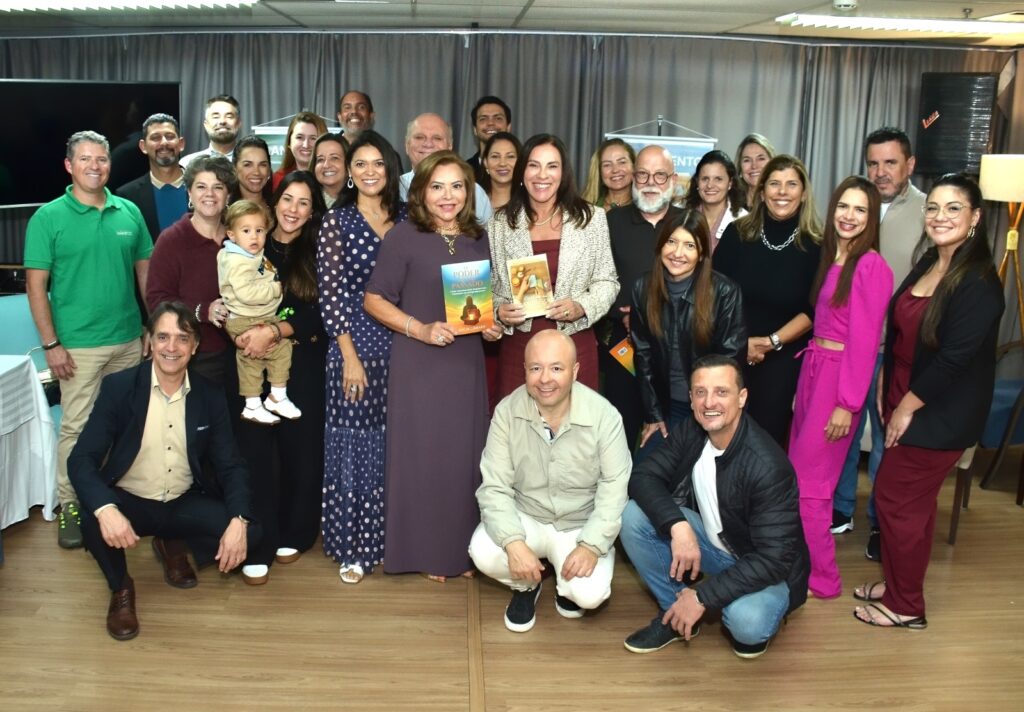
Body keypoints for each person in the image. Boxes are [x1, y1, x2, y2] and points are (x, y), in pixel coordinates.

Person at [853, 173, 1003, 630]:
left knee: (895, 500)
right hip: (904, 395)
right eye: (933, 207)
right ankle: (898, 584)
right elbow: (902, 330)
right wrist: (886, 380)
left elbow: (954, 360)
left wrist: (905, 406)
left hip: (938, 413)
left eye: (953, 208)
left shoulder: (978, 281)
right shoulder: (929, 262)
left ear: (975, 217)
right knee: (908, 506)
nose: (940, 216)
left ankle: (906, 606)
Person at [67, 302, 257, 641]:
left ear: (194, 347)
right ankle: (121, 586)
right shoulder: (119, 387)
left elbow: (231, 464)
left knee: (252, 531)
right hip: (132, 500)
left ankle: (172, 542)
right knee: (90, 516)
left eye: (182, 338)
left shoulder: (210, 394)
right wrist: (106, 509)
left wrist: (238, 521)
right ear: (149, 342)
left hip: (184, 500)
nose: (172, 347)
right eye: (163, 337)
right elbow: (81, 459)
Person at [364, 151, 503, 581]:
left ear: (469, 192)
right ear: (421, 192)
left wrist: (492, 328)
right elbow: (374, 300)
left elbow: (480, 304)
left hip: (466, 364)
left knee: (464, 459)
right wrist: (419, 329)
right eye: (437, 187)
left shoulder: (478, 237)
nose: (448, 196)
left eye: (457, 186)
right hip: (419, 364)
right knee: (423, 457)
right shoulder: (403, 237)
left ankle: (461, 551)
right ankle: (423, 552)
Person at [620, 355, 810, 659]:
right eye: (700, 392)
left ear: (742, 397)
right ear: (691, 399)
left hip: (765, 567)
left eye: (721, 392)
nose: (709, 402)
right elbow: (643, 477)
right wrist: (678, 526)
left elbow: (773, 559)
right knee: (634, 515)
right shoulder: (693, 431)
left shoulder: (768, 466)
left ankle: (705, 604)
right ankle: (674, 612)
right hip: (717, 546)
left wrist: (702, 596)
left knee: (747, 623)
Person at [24, 130, 153, 550]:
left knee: (126, 425)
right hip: (77, 347)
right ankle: (72, 506)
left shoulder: (128, 212)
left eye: (101, 159)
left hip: (128, 341)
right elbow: (36, 286)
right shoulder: (48, 218)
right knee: (77, 429)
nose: (94, 166)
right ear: (69, 165)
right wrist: (51, 345)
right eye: (85, 159)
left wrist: (152, 327)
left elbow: (145, 273)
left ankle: (114, 501)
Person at [469, 330, 630, 632]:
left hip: (579, 523)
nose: (545, 379)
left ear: (575, 371)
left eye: (556, 368)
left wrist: (591, 545)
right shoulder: (507, 412)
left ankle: (565, 585)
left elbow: (615, 488)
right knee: (483, 551)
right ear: (525, 370)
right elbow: (494, 486)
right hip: (527, 516)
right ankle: (526, 586)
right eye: (536, 368)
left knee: (589, 595)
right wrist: (514, 543)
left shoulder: (604, 416)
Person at [787, 176, 892, 599]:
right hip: (814, 371)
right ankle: (799, 567)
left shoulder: (871, 266)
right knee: (798, 478)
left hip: (837, 381)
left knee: (810, 485)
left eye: (860, 209)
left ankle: (824, 579)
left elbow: (864, 344)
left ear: (872, 218)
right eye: (843, 206)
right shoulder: (834, 257)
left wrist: (847, 404)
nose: (849, 216)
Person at [834, 127, 928, 563]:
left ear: (910, 164)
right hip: (849, 347)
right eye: (873, 163)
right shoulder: (856, 206)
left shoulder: (929, 212)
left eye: (890, 162)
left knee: (887, 441)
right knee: (844, 434)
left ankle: (878, 521)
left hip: (896, 351)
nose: (881, 171)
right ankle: (841, 510)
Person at [318, 130, 407, 584]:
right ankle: (354, 546)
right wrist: (349, 357)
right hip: (355, 350)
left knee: (400, 445)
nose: (369, 171)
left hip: (407, 349)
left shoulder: (409, 217)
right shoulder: (337, 222)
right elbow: (331, 297)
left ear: (390, 168)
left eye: (377, 163)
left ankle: (398, 542)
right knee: (356, 448)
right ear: (350, 173)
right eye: (360, 164)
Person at [232, 170, 329, 585]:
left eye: (304, 202)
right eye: (288, 199)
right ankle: (259, 539)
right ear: (274, 203)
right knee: (256, 453)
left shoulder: (320, 249)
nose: (294, 209)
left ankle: (297, 531)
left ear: (312, 211)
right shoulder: (251, 242)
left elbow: (323, 312)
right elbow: (229, 293)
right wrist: (240, 330)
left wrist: (275, 331)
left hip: (303, 362)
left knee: (300, 451)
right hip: (252, 360)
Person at [490, 133, 618, 401]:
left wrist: (581, 306)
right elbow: (490, 287)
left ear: (563, 173)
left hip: (574, 343)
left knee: (576, 425)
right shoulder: (500, 223)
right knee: (518, 424)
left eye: (552, 166)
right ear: (522, 171)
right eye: (534, 165)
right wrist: (499, 311)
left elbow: (607, 281)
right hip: (520, 348)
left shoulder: (591, 219)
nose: (542, 175)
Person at [713, 154, 822, 447]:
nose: (782, 192)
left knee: (765, 441)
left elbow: (813, 309)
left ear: (803, 193)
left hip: (783, 357)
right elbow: (714, 294)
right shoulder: (737, 233)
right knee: (722, 433)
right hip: (732, 349)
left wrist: (769, 343)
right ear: (762, 192)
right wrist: (741, 343)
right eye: (774, 183)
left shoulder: (817, 244)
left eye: (791, 184)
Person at [631, 209, 747, 458]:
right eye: (671, 242)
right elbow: (643, 355)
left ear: (702, 252)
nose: (678, 253)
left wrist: (709, 411)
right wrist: (653, 415)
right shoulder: (643, 287)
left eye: (689, 245)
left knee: (698, 474)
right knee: (644, 473)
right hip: (666, 407)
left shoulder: (725, 292)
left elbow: (730, 361)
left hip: (709, 407)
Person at [602, 145, 682, 449]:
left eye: (660, 175)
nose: (650, 183)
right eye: (643, 175)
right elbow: (597, 280)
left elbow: (701, 284)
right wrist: (623, 313)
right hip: (622, 347)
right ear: (633, 177)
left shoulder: (688, 223)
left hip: (676, 349)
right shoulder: (611, 222)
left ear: (673, 179)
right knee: (618, 433)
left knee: (669, 437)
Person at [146, 155, 236, 383]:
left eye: (218, 187)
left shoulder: (239, 238)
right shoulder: (172, 240)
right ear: (189, 193)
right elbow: (158, 301)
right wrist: (202, 311)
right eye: (201, 187)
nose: (209, 194)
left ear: (228, 195)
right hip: (195, 358)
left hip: (240, 354)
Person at [217, 200, 301, 425]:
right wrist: (275, 289)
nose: (254, 237)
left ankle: (262, 402)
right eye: (246, 231)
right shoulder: (238, 261)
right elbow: (246, 293)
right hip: (248, 318)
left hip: (256, 316)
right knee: (267, 354)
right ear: (231, 235)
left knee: (260, 358)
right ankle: (267, 400)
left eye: (259, 230)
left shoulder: (247, 254)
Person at [398, 112, 493, 223]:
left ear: (450, 146)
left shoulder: (474, 192)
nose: (428, 144)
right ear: (407, 145)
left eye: (437, 138)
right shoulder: (394, 188)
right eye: (419, 137)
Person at [115, 112, 188, 241]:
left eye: (170, 136)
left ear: (181, 143)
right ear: (143, 146)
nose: (164, 142)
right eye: (155, 138)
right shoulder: (128, 196)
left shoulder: (203, 187)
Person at [683, 150, 747, 253]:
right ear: (697, 182)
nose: (710, 185)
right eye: (705, 179)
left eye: (718, 179)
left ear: (730, 183)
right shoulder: (681, 214)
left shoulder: (744, 221)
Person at [180, 95, 242, 168]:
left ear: (238, 123)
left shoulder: (251, 162)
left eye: (229, 116)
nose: (222, 121)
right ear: (206, 125)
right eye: (216, 117)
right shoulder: (187, 164)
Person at [272, 112, 328, 190]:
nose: (306, 145)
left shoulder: (331, 180)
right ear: (289, 142)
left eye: (313, 138)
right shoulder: (277, 180)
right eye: (300, 137)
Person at [466, 95, 512, 183]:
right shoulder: (463, 170)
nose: (490, 123)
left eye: (498, 118)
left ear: (508, 127)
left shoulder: (523, 168)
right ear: (475, 129)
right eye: (483, 119)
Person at [581, 138, 636, 211]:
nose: (615, 170)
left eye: (622, 162)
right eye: (607, 165)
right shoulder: (585, 209)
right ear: (599, 171)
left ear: (634, 166)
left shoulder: (645, 208)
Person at [480, 131, 521, 211]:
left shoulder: (530, 203)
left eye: (510, 156)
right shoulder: (473, 202)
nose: (502, 163)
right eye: (495, 156)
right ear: (485, 162)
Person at [733, 134, 775, 211]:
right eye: (747, 160)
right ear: (740, 167)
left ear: (772, 162)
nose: (754, 166)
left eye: (761, 159)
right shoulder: (730, 203)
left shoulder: (782, 202)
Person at [231, 135, 273, 209]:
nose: (256, 172)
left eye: (262, 165)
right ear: (235, 168)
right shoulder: (224, 211)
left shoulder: (278, 208)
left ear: (269, 169)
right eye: (247, 165)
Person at [312, 132, 348, 208]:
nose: (326, 165)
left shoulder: (362, 201)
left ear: (348, 164)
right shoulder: (306, 199)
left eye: (334, 158)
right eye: (320, 159)